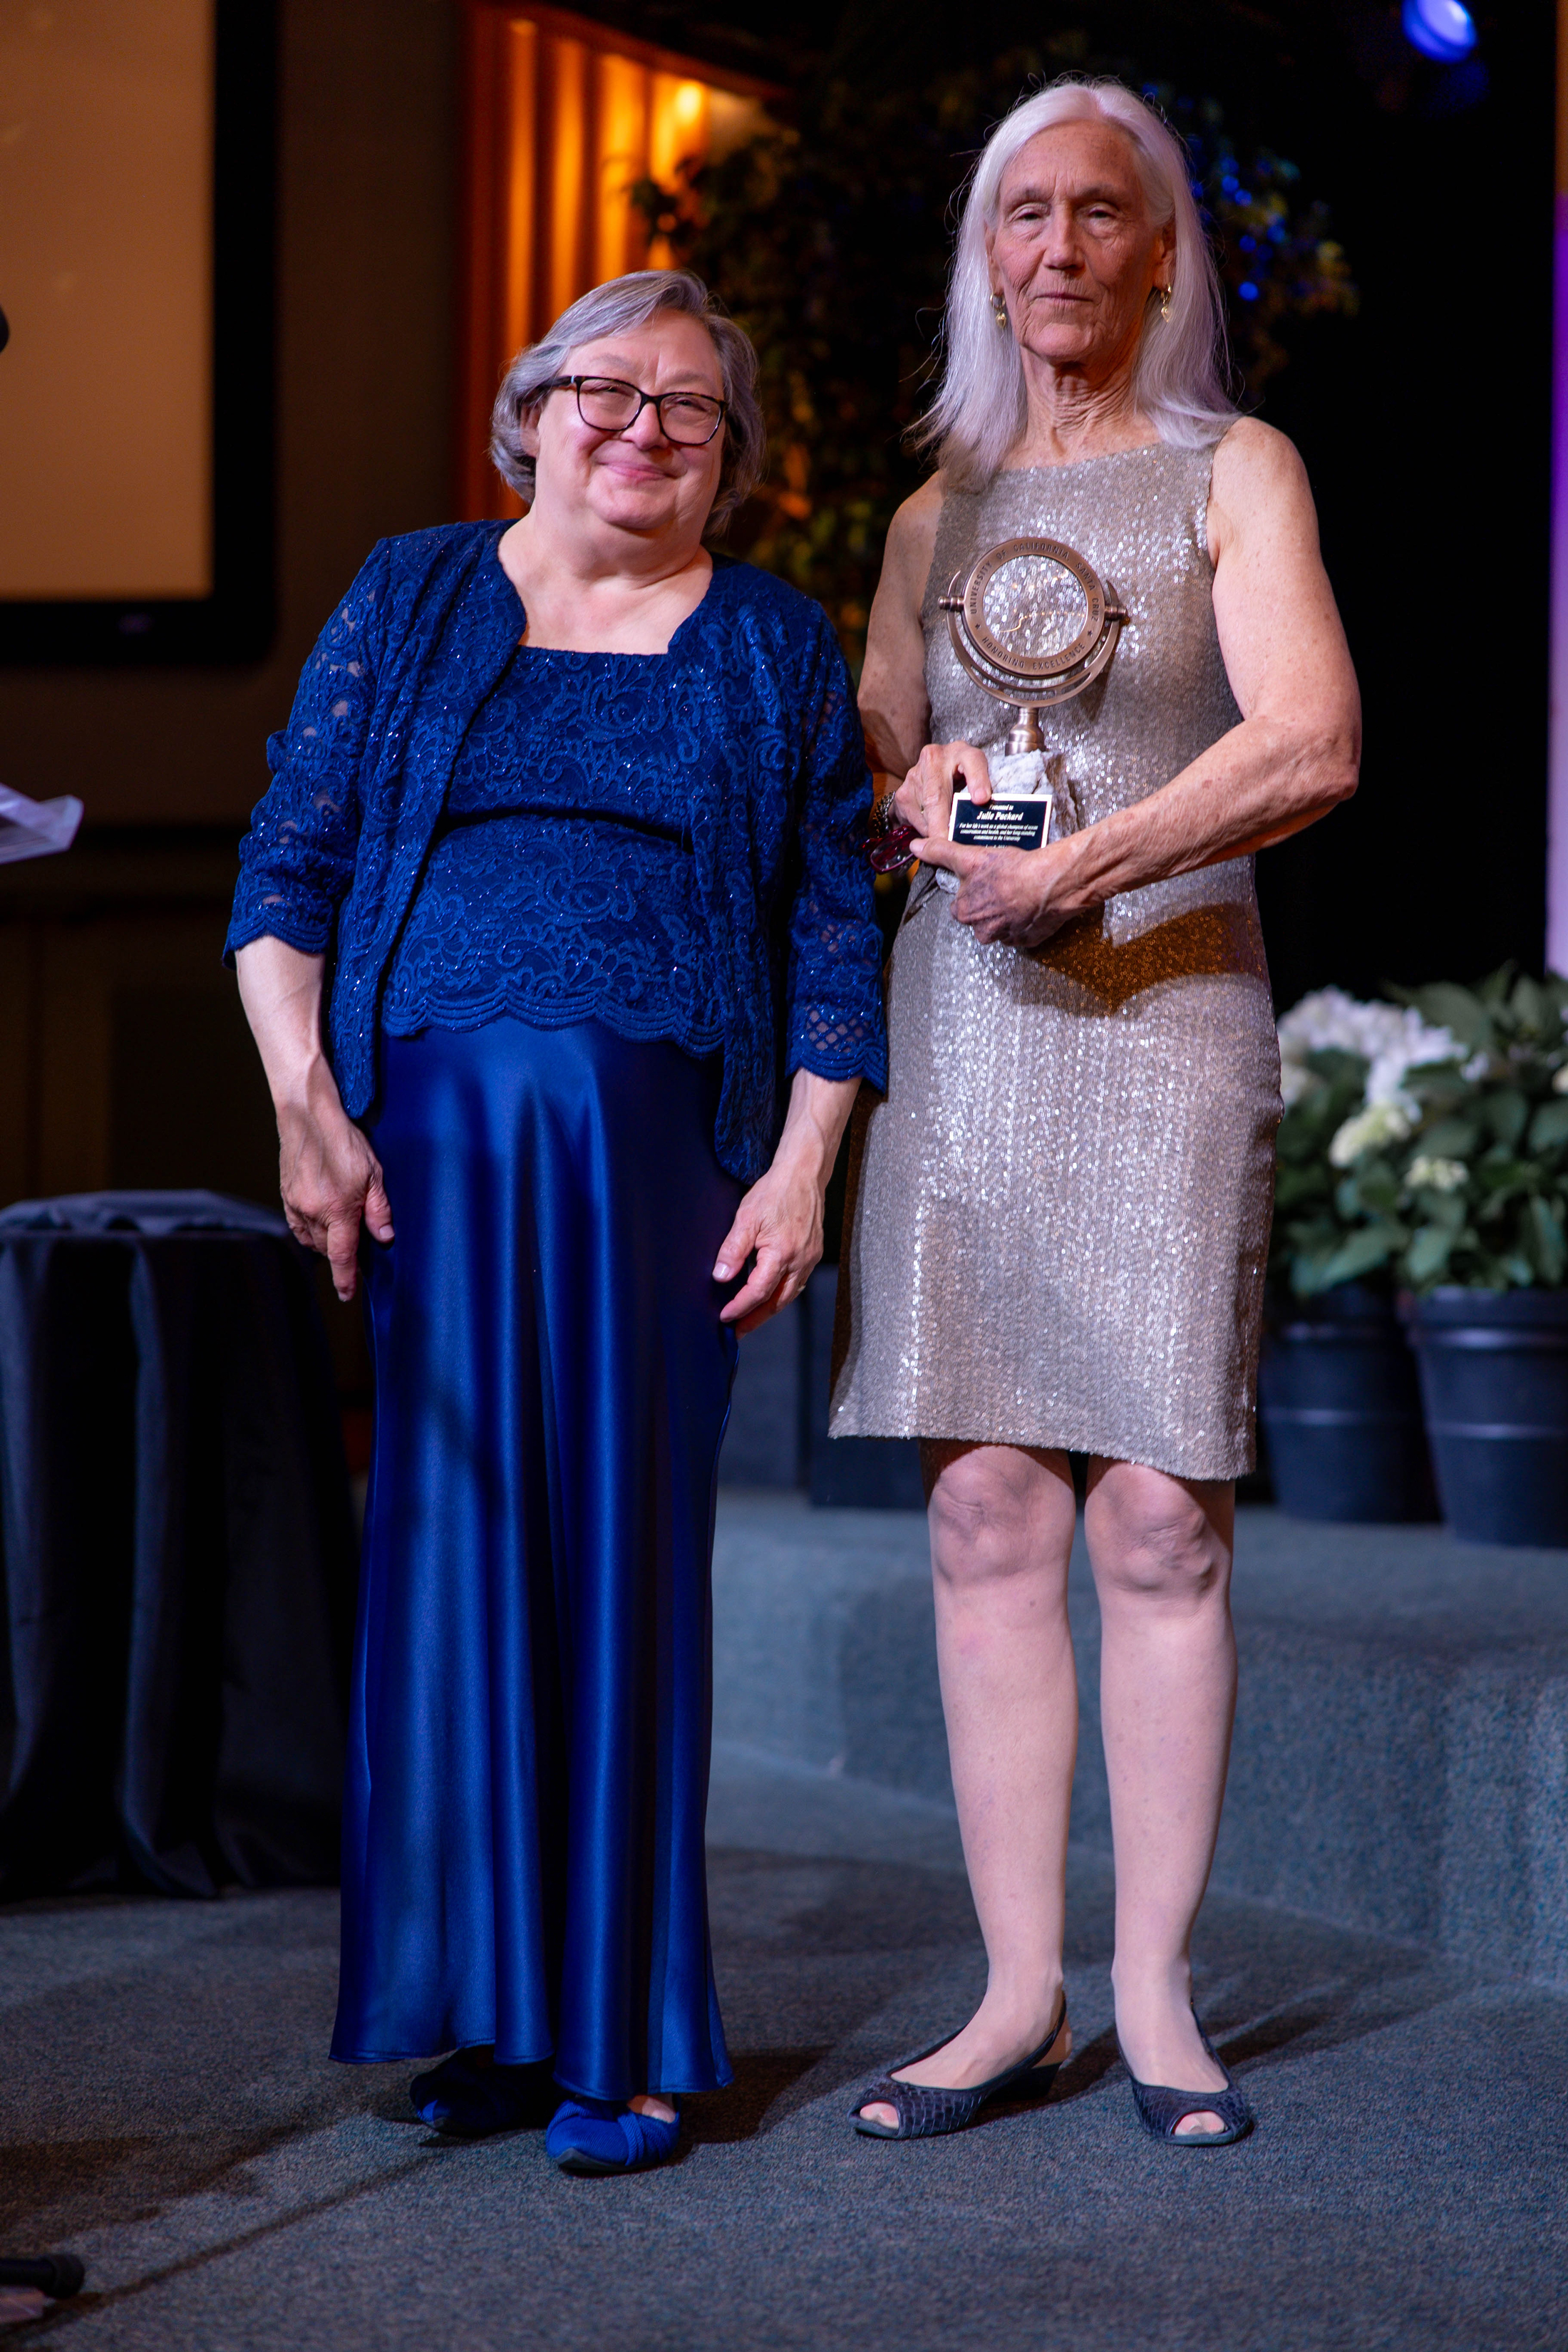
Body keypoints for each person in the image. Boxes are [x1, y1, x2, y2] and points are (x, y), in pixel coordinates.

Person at [227, 270, 884, 2175]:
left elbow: (833, 933)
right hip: (425, 1147)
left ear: (732, 457)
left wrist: (800, 1165)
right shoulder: (415, 591)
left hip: (656, 1158)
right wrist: (307, 1110)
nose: (641, 427)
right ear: (530, 413)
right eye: (604, 389)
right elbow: (288, 870)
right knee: (449, 1572)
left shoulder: (766, 638)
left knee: (618, 1573)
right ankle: (489, 2012)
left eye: (688, 406)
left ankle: (627, 2030)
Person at [833, 78, 1359, 2146]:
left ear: (1161, 248)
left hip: (1163, 1011)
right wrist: (913, 793)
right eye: (1022, 216)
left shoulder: (1241, 469)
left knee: (1157, 1512)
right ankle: (1014, 1993)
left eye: (1099, 214)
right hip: (970, 1021)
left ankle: (1154, 1992)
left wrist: (1100, 855)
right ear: (990, 255)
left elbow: (1315, 739)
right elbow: (885, 739)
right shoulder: (926, 510)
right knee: (983, 1508)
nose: (1058, 248)